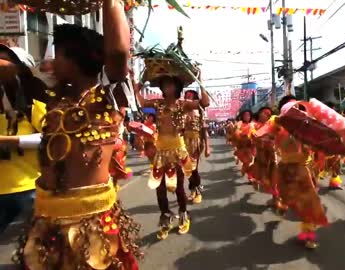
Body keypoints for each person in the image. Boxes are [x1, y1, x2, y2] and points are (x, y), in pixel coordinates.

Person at [10, 1, 143, 268]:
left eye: (58, 55)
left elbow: (117, 55)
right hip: (47, 219)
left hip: (89, 220)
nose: (51, 61)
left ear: (78, 58)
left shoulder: (105, 96)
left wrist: (111, 2)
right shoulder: (54, 97)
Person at [137, 75, 209, 240]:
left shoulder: (183, 104)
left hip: (178, 151)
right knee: (160, 189)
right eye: (164, 85)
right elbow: (141, 102)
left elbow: (205, 102)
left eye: (170, 84)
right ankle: (165, 219)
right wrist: (138, 85)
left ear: (176, 87)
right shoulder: (158, 104)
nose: (167, 87)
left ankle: (184, 216)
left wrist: (200, 81)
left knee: (178, 188)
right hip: (160, 152)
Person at [254, 95, 328, 249]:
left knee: (309, 202)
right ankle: (283, 205)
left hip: (304, 168)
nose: (294, 109)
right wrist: (266, 139)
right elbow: (261, 136)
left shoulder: (307, 123)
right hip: (285, 168)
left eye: (296, 106)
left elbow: (319, 142)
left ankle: (309, 234)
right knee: (289, 198)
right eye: (289, 107)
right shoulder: (277, 123)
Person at [0, 45, 47, 234]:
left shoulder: (34, 101)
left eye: (5, 62)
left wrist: (8, 140)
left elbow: (50, 138)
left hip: (29, 189)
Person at [184, 90, 210, 204]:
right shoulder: (181, 109)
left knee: (193, 168)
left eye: (190, 94)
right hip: (183, 142)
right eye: (186, 95)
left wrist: (207, 147)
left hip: (196, 142)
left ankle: (197, 192)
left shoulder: (199, 109)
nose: (187, 96)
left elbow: (204, 130)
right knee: (186, 169)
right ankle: (193, 190)